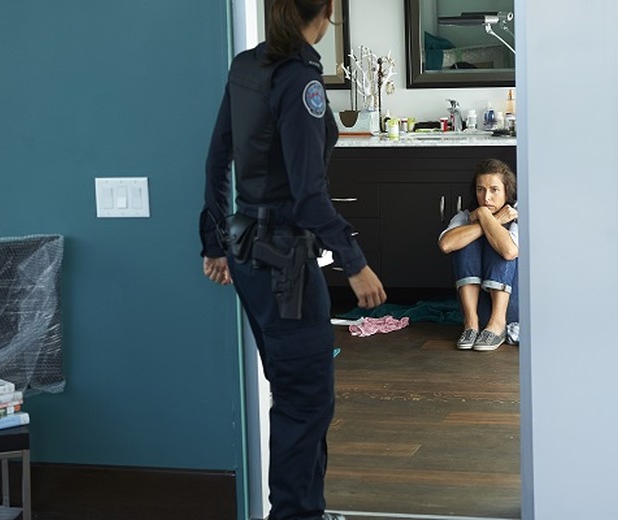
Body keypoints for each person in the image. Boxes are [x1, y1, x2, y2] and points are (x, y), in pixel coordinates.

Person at [198, 1, 387, 519]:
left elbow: (218, 158)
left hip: (249, 258)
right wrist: (354, 259)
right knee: (306, 400)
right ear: (325, 12)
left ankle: (308, 509)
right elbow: (308, 197)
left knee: (295, 392)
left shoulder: (246, 65)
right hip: (285, 265)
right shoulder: (299, 80)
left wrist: (215, 243)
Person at [438, 158, 519, 351]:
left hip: (510, 310)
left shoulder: (515, 214)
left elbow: (509, 252)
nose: (486, 197)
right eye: (480, 189)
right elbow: (446, 244)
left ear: (507, 191)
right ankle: (471, 324)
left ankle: (497, 325)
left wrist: (487, 218)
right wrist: (486, 217)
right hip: (476, 309)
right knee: (463, 238)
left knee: (500, 239)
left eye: (494, 189)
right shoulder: (466, 216)